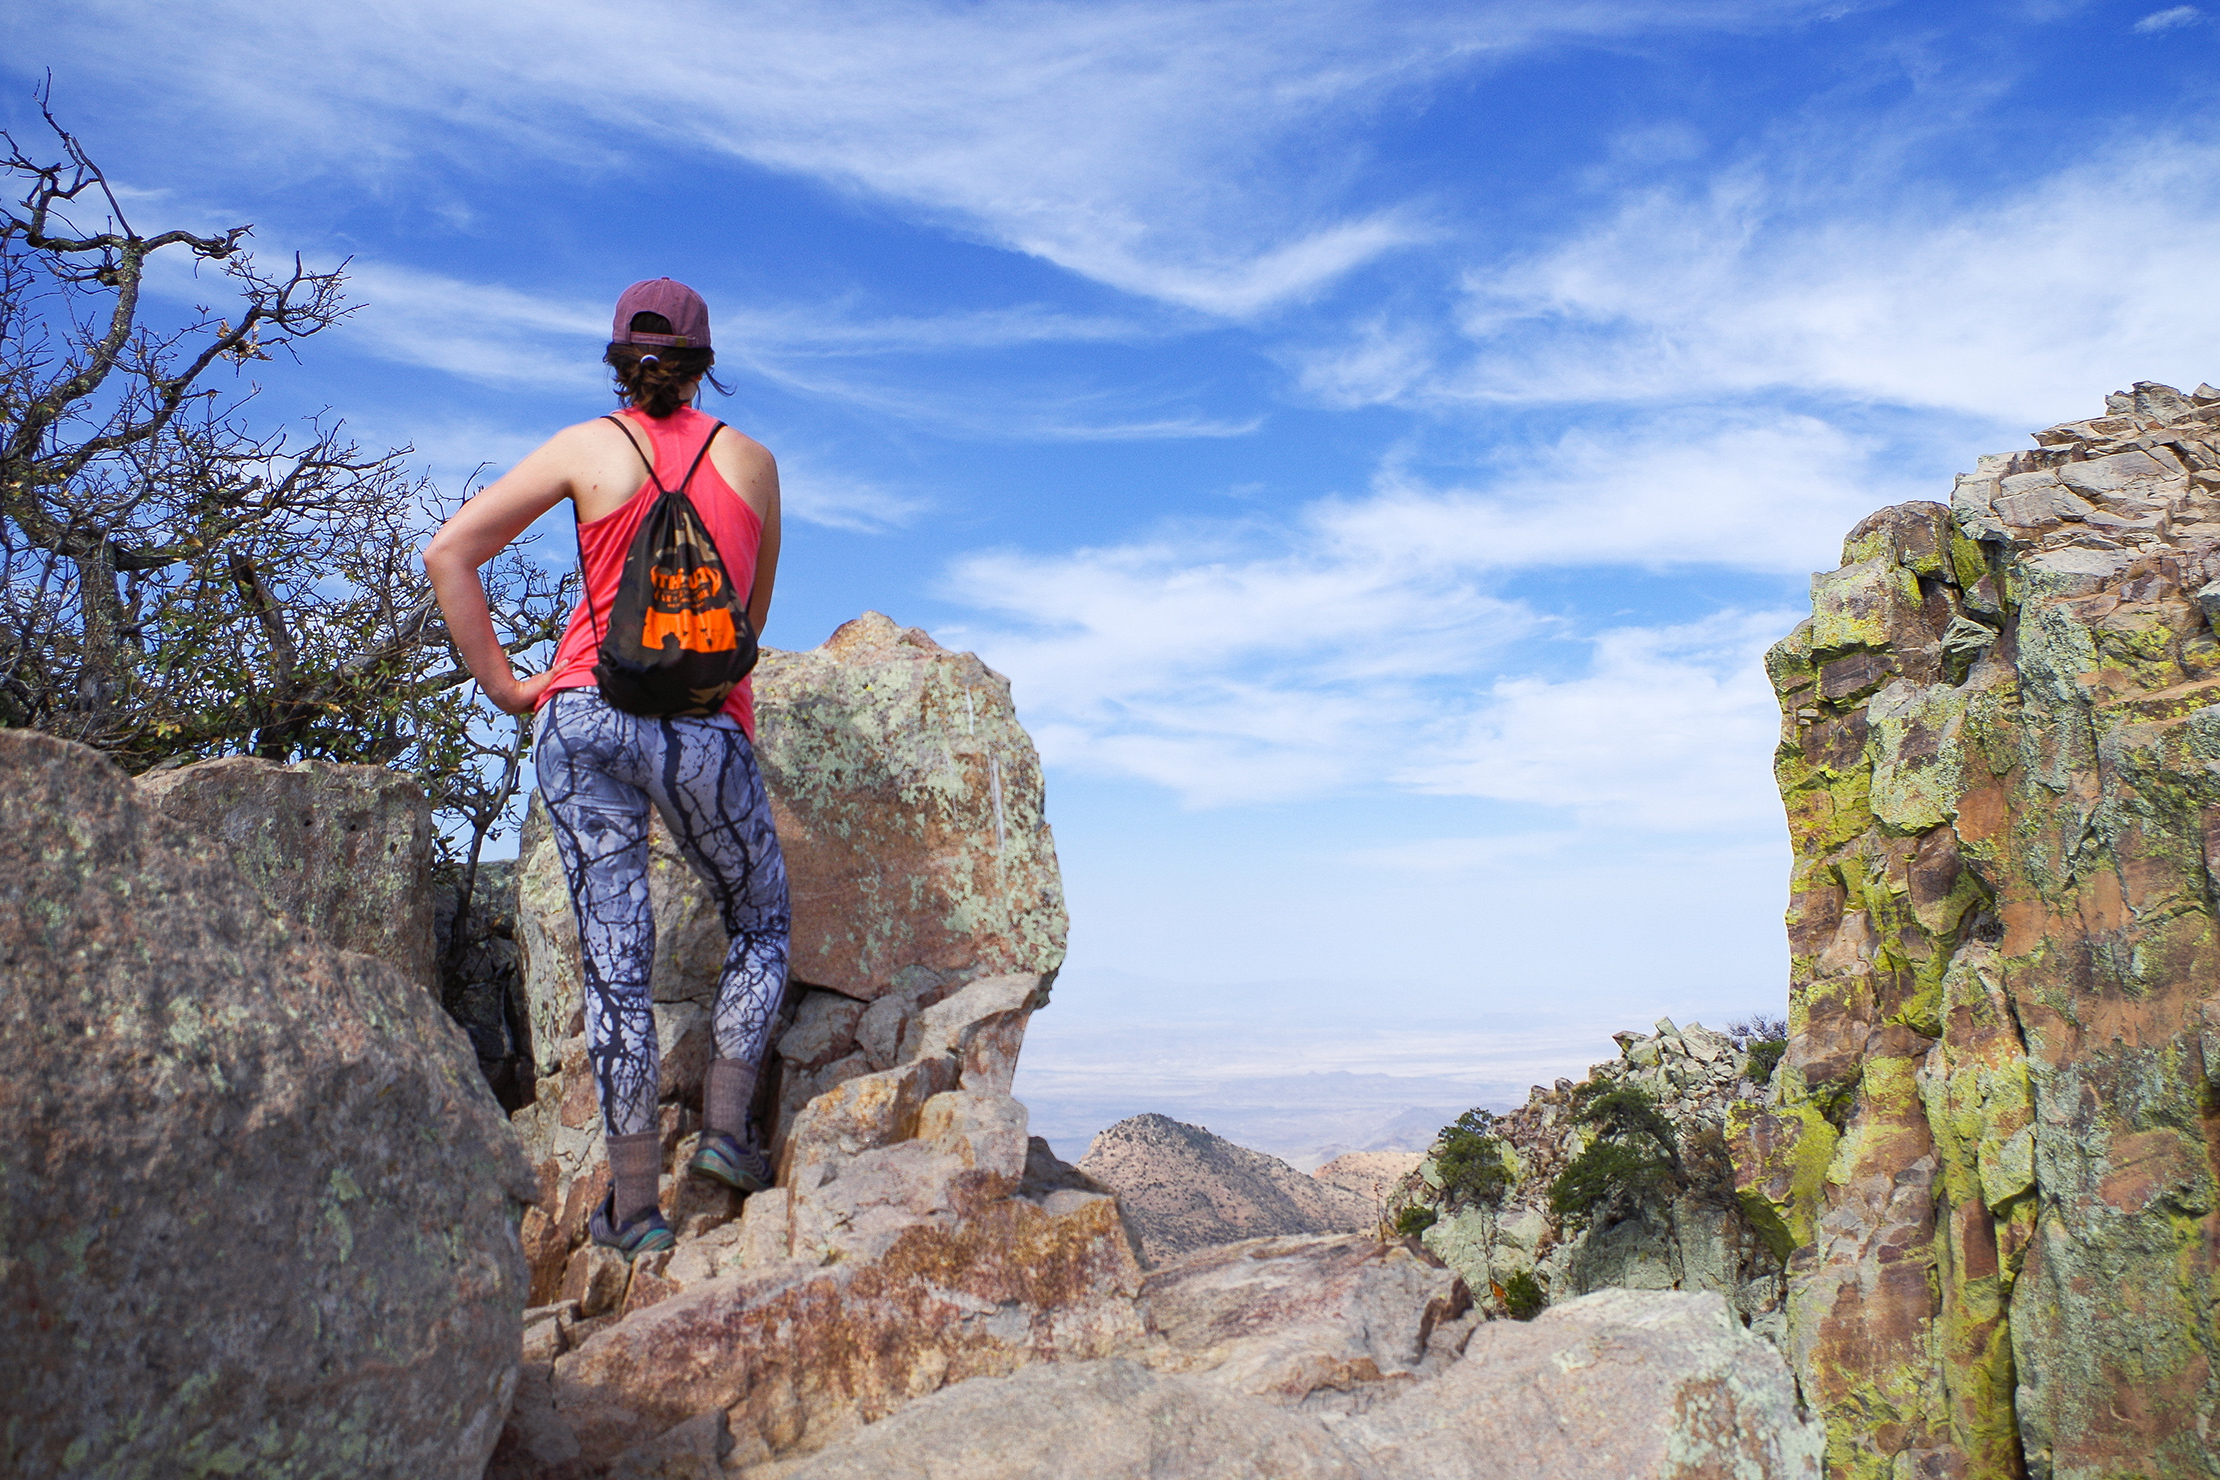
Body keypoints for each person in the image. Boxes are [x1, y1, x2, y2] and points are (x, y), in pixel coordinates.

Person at [424, 278, 788, 1259]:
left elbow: (451, 551)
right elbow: (742, 628)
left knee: (617, 975)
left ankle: (634, 1211)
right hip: (707, 732)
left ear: (619, 362)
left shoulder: (587, 448)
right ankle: (724, 1136)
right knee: (760, 921)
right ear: (707, 366)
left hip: (587, 716)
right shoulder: (752, 463)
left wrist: (506, 683)